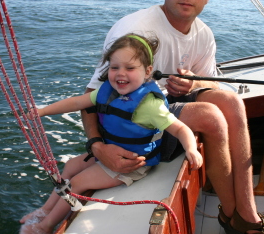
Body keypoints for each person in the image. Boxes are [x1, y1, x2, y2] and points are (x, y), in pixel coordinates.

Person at [81, 0, 264, 234]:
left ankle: (248, 212)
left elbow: (212, 85)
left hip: (167, 107)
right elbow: (92, 93)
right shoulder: (137, 30)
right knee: (212, 117)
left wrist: (192, 85)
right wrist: (97, 146)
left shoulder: (203, 35)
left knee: (231, 101)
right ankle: (233, 218)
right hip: (137, 128)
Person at [19, 34, 203, 234]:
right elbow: (76, 103)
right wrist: (42, 111)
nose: (120, 74)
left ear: (148, 71)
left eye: (130, 68)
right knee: (72, 165)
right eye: (114, 67)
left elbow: (180, 128)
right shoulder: (107, 91)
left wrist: (191, 148)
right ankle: (45, 210)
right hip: (107, 153)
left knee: (78, 183)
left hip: (131, 164)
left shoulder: (150, 105)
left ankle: (45, 226)